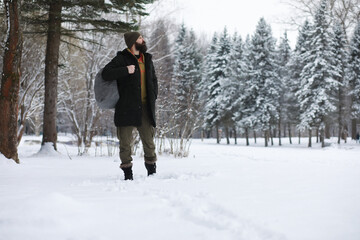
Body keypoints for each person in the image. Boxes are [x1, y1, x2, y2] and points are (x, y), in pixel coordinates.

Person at [102, 32, 158, 180]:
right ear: (133, 41)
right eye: (140, 38)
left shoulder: (147, 58)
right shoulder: (122, 58)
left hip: (145, 107)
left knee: (149, 141)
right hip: (126, 108)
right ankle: (128, 175)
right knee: (125, 143)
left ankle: (152, 173)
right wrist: (126, 70)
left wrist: (154, 96)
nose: (143, 40)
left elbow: (153, 80)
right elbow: (106, 74)